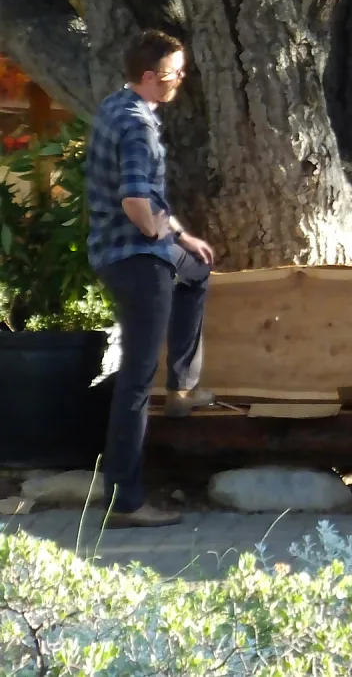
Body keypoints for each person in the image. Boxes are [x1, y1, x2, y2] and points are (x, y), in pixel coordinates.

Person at [87, 29, 217, 528]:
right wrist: (160, 231)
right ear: (148, 77)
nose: (179, 81)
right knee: (137, 383)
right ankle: (126, 503)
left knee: (197, 270)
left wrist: (180, 237)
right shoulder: (137, 125)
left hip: (137, 252)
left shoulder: (118, 106)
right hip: (136, 259)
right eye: (173, 74)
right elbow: (138, 204)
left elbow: (153, 205)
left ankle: (183, 388)